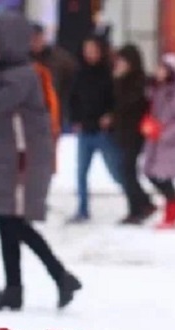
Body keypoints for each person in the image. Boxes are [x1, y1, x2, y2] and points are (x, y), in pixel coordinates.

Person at [0, 9, 82, 310]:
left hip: (22, 161)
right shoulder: (8, 72)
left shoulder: (21, 75)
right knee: (6, 220)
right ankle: (17, 288)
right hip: (10, 158)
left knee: (13, 223)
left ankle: (57, 277)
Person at [67, 35, 119, 223]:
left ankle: (136, 199)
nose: (89, 53)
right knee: (81, 172)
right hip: (85, 130)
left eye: (93, 49)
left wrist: (110, 116)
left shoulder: (109, 73)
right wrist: (75, 120)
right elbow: (72, 99)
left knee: (116, 171)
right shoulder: (80, 73)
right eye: (87, 49)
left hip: (103, 131)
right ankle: (82, 209)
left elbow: (116, 99)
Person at [143, 52, 175, 229]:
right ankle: (174, 205)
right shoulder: (160, 90)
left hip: (168, 144)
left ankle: (172, 210)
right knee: (154, 175)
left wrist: (164, 134)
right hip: (156, 141)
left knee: (162, 177)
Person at [111, 44, 156, 225]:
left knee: (127, 171)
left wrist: (119, 82)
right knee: (126, 171)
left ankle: (139, 206)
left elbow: (130, 104)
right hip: (123, 132)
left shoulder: (138, 81)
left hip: (134, 133)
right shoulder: (121, 79)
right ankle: (141, 204)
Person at [29, 22, 78, 130]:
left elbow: (74, 80)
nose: (35, 42)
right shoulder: (22, 59)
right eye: (32, 38)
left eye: (38, 37)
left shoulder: (61, 59)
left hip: (55, 111)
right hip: (29, 113)